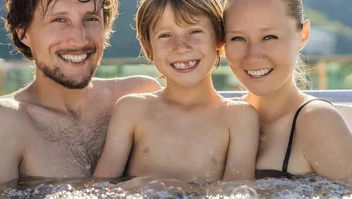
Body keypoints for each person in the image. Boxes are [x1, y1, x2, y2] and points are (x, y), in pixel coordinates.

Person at [0, 0, 161, 194]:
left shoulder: (140, 95)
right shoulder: (0, 122)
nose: (80, 40)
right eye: (59, 20)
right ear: (23, 33)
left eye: (91, 19)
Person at [92, 0, 259, 184]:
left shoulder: (239, 118)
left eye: (195, 31)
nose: (181, 46)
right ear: (149, 48)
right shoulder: (131, 110)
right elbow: (101, 188)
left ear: (219, 40)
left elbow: (237, 193)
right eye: (165, 35)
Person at [222, 0, 352, 181]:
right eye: (237, 38)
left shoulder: (317, 120)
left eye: (269, 37)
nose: (253, 56)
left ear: (303, 34)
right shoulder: (221, 119)